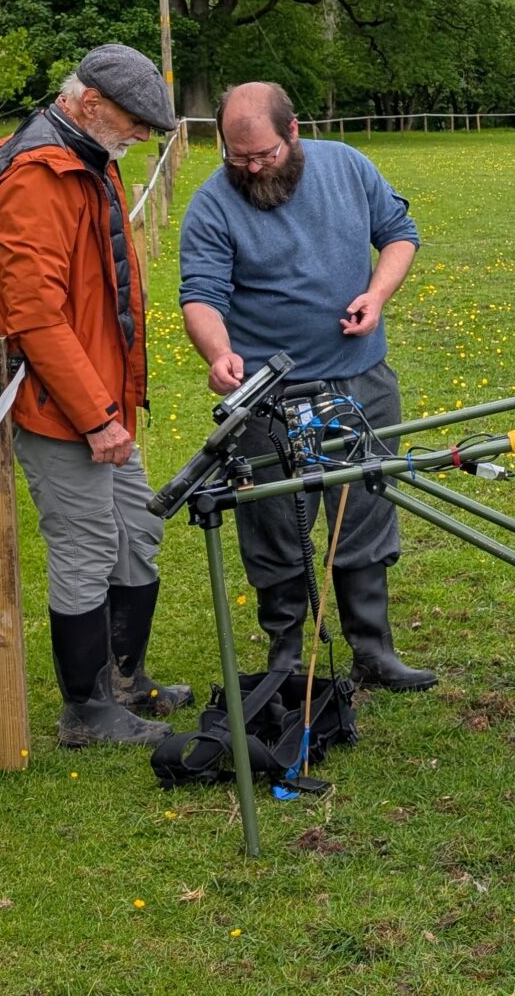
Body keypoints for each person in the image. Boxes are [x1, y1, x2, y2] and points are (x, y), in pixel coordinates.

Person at [178, 81, 436, 691]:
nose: (251, 168)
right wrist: (219, 354)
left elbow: (401, 233)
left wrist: (375, 295)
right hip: (268, 397)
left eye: (262, 155)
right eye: (237, 158)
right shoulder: (213, 205)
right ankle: (287, 659)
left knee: (366, 508)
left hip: (360, 379)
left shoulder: (348, 166)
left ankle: (373, 651)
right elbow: (201, 297)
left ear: (293, 132)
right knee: (273, 523)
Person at [0, 44, 186, 748]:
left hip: (97, 396)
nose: (144, 137)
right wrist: (95, 416)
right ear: (89, 103)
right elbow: (36, 315)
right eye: (135, 120)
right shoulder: (38, 173)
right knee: (87, 543)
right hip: (59, 406)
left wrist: (112, 405)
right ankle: (86, 713)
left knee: (138, 530)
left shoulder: (88, 157)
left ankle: (126, 681)